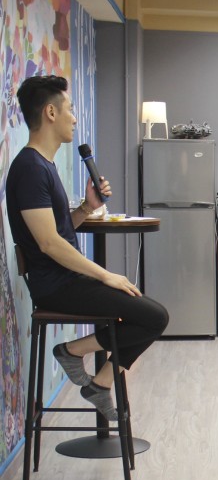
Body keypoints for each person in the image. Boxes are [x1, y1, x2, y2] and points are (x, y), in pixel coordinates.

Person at [6, 75, 168, 420]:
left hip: (65, 280)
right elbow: (48, 244)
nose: (75, 118)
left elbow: (56, 232)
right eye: (71, 109)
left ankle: (97, 380)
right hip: (56, 286)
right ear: (51, 112)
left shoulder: (42, 166)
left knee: (152, 316)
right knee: (153, 317)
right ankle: (74, 354)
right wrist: (105, 275)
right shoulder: (31, 169)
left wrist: (85, 209)